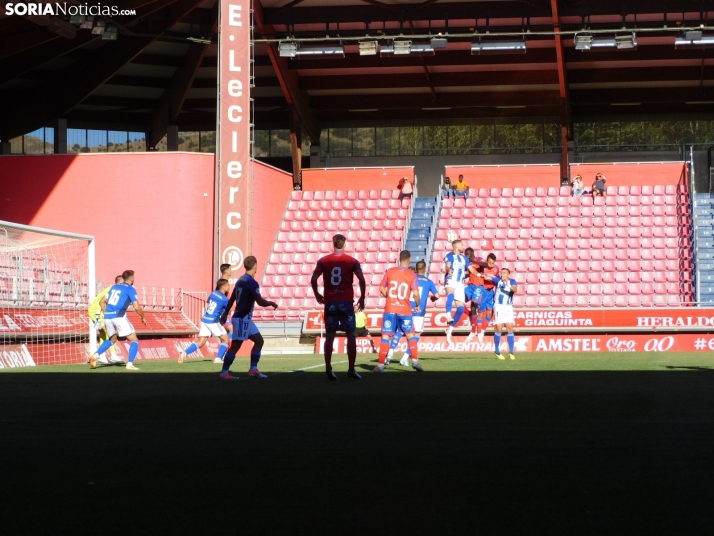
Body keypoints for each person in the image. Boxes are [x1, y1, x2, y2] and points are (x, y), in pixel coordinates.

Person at [311, 233, 367, 381]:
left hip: (330, 303)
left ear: (333, 244)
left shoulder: (323, 261)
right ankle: (351, 369)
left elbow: (313, 279)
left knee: (330, 335)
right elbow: (362, 280)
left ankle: (328, 367)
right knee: (351, 334)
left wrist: (317, 294)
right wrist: (362, 297)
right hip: (346, 302)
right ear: (345, 244)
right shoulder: (352, 261)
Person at [219, 256, 278, 380]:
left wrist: (225, 314)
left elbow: (232, 298)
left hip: (246, 319)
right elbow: (260, 301)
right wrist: (271, 303)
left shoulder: (241, 280)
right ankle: (224, 372)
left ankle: (253, 369)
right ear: (255, 266)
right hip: (241, 318)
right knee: (236, 345)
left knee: (259, 341)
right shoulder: (251, 282)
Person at [88, 270, 148, 371]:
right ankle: (129, 364)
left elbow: (102, 302)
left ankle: (96, 355)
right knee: (134, 340)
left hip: (107, 317)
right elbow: (137, 307)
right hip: (118, 316)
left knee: (112, 339)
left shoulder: (113, 287)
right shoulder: (130, 289)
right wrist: (143, 316)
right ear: (132, 278)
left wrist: (106, 312)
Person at [373, 250, 421, 373]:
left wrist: (388, 297)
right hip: (404, 310)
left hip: (390, 309)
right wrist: (418, 305)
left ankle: (380, 366)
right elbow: (416, 293)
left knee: (385, 336)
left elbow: (381, 287)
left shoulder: (390, 271)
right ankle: (415, 362)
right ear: (409, 259)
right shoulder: (412, 274)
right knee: (410, 335)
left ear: (399, 259)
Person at [385, 260, 438, 367]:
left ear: (416, 269)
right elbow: (437, 296)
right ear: (425, 269)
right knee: (416, 334)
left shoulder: (410, 278)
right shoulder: (429, 282)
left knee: (400, 331)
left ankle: (389, 354)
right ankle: (405, 358)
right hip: (419, 312)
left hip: (406, 309)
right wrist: (432, 298)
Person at [178, 279, 231, 365]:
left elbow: (208, 301)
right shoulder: (225, 299)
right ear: (223, 286)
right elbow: (228, 311)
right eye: (228, 285)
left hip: (205, 319)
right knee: (225, 339)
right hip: (213, 321)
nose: (229, 287)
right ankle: (218, 359)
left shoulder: (213, 293)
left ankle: (184, 353)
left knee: (201, 342)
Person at [87, 274, 124, 365]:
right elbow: (102, 303)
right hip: (96, 312)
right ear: (119, 283)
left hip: (97, 311)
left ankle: (102, 356)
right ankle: (113, 355)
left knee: (104, 333)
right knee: (109, 332)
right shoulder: (113, 289)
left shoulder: (113, 289)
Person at [484, 269, 518, 360]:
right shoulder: (498, 280)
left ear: (508, 275)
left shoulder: (512, 281)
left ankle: (511, 352)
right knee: (499, 328)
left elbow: (515, 290)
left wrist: (507, 284)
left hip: (508, 307)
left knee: (510, 327)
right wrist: (485, 275)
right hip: (499, 306)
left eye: (504, 273)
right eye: (501, 273)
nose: (502, 275)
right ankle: (497, 351)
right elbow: (488, 277)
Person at [444, 239, 469, 344]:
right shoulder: (449, 255)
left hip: (460, 284)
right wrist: (448, 270)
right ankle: (448, 316)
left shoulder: (465, 259)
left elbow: (469, 269)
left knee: (460, 309)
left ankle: (450, 330)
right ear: (456, 246)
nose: (463, 246)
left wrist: (477, 274)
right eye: (462, 244)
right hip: (451, 280)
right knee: (450, 295)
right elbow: (448, 265)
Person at [475, 253, 500, 344]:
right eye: (489, 262)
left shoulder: (496, 268)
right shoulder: (482, 267)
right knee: (481, 313)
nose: (490, 265)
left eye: (492, 263)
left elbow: (497, 280)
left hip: (491, 292)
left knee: (490, 313)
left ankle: (482, 331)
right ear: (486, 261)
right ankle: (479, 332)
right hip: (483, 291)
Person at [463, 248, 486, 344]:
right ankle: (470, 316)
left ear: (472, 253)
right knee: (459, 299)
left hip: (478, 286)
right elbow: (467, 273)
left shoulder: (479, 259)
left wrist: (474, 261)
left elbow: (486, 265)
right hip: (470, 285)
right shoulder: (466, 262)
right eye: (466, 254)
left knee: (474, 306)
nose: (467, 256)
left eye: (469, 254)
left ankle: (474, 331)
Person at [219, 263, 233, 335]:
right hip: (223, 312)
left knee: (225, 334)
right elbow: (221, 297)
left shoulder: (224, 281)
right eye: (230, 269)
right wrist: (227, 308)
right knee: (232, 330)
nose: (231, 271)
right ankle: (228, 346)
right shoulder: (223, 283)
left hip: (225, 312)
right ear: (227, 271)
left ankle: (225, 345)